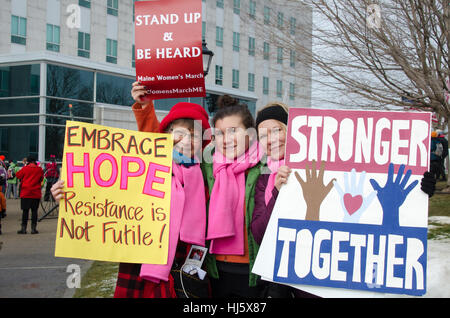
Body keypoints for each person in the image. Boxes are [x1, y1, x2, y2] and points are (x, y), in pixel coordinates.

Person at [52, 81, 211, 298]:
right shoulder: (147, 164)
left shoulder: (205, 176)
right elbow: (105, 189)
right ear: (166, 134)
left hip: (183, 265)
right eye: (178, 131)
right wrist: (70, 191)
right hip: (140, 259)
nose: (185, 139)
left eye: (194, 134)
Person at [202, 95, 263, 297]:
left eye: (233, 131)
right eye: (219, 133)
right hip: (216, 270)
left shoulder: (266, 167)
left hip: (253, 272)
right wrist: (144, 108)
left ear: (251, 134)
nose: (226, 139)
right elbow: (161, 149)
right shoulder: (208, 167)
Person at [16, 156, 44, 234]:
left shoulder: (25, 168)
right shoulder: (39, 169)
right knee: (34, 211)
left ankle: (23, 229)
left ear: (28, 161)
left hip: (26, 193)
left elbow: (18, 175)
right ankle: (33, 229)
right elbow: (41, 179)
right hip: (36, 193)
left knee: (25, 211)